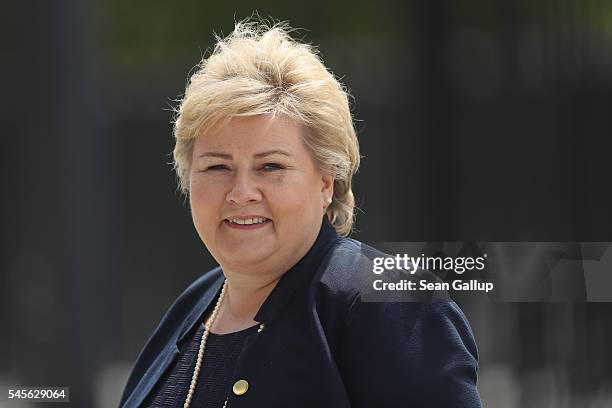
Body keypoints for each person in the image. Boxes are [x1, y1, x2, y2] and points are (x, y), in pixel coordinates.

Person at [119, 19, 482, 408]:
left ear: (326, 181)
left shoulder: (392, 308)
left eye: (270, 166)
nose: (241, 193)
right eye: (217, 167)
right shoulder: (192, 308)